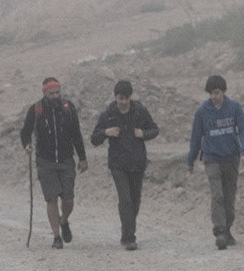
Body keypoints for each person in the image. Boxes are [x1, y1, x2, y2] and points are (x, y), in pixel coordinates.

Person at [90, 80, 159, 251]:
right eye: (120, 98)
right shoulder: (108, 115)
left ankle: (125, 231)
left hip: (137, 163)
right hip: (118, 164)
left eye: (126, 98)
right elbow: (94, 139)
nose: (123, 102)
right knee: (125, 200)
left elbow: (154, 129)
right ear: (115, 97)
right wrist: (106, 132)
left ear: (130, 97)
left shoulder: (140, 111)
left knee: (135, 201)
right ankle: (130, 238)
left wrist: (143, 133)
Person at [20, 77, 88, 249]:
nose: (55, 96)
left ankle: (63, 221)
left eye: (58, 92)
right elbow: (25, 131)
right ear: (45, 93)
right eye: (51, 93)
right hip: (45, 160)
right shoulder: (36, 110)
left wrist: (82, 157)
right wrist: (27, 144)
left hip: (66, 159)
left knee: (68, 199)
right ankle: (57, 237)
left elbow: (76, 134)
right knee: (51, 199)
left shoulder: (68, 108)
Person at [186, 74, 244, 250]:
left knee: (229, 197)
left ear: (223, 91)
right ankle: (219, 231)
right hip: (211, 158)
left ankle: (228, 229)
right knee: (217, 195)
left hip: (231, 158)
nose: (214, 97)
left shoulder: (234, 108)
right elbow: (196, 137)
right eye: (211, 93)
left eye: (217, 93)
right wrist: (190, 160)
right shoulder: (202, 111)